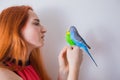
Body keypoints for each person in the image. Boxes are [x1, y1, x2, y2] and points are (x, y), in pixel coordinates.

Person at [0, 5, 83, 80]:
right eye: (36, 23)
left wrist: (63, 72)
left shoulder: (31, 66)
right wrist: (74, 67)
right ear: (16, 29)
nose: (44, 29)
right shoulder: (3, 74)